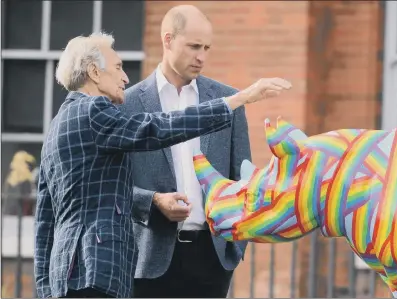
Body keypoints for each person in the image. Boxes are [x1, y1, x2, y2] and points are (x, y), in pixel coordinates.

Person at [33, 31, 291, 298]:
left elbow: (44, 220)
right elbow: (157, 127)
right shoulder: (94, 111)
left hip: (65, 276)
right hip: (96, 273)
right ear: (94, 73)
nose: (125, 78)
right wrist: (236, 101)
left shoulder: (56, 126)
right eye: (119, 67)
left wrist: (43, 288)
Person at [119, 5, 251, 298]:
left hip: (212, 259)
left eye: (206, 47)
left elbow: (243, 180)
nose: (201, 56)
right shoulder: (126, 105)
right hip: (146, 258)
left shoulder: (228, 101)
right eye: (193, 46)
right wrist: (153, 201)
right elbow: (113, 186)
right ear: (168, 40)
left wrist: (234, 247)